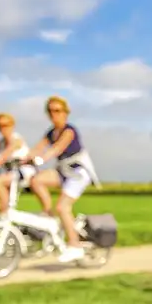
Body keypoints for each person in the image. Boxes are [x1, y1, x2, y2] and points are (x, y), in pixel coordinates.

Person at [24, 96, 101, 263]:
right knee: (36, 180)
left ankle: (75, 245)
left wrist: (41, 160)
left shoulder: (69, 131)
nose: (54, 114)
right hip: (63, 171)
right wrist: (22, 159)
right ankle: (48, 215)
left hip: (78, 173)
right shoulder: (51, 132)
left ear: (65, 112)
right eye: (50, 111)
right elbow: (37, 148)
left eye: (57, 110)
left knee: (63, 206)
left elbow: (57, 149)